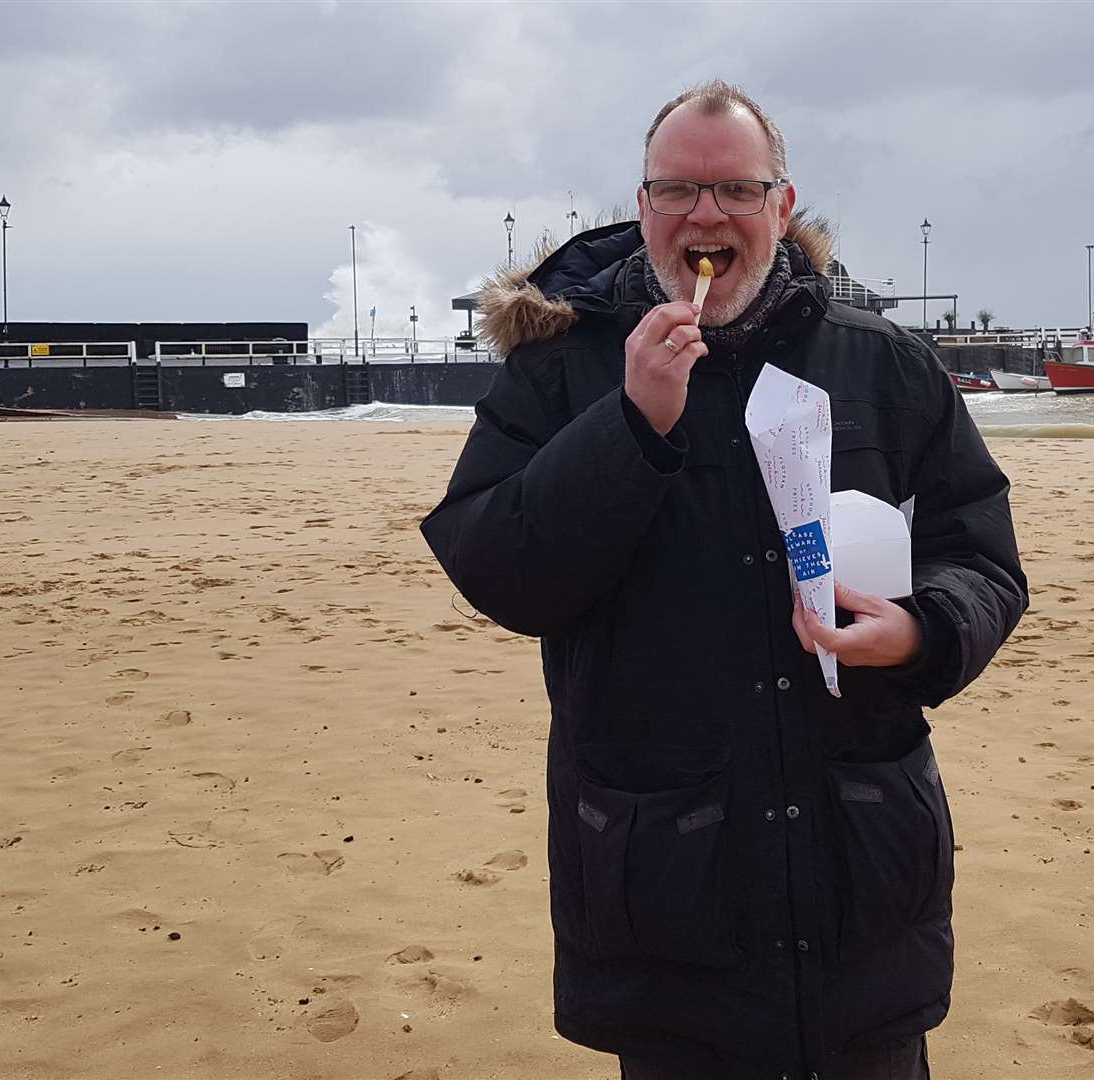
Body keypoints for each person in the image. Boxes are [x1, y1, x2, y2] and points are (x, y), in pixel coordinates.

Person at [421, 80, 1027, 1080]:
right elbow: (500, 574)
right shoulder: (561, 370)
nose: (705, 216)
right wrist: (630, 423)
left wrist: (922, 631)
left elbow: (981, 556)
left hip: (860, 870)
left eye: (735, 190)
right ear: (644, 206)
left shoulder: (881, 365)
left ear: (780, 208)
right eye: (677, 192)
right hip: (665, 881)